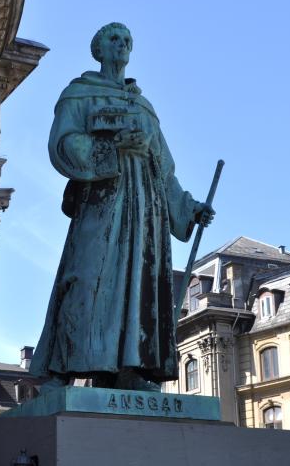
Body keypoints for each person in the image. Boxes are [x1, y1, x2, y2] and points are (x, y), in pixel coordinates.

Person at [29, 22, 215, 391]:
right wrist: (112, 150)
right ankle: (62, 368)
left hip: (146, 208)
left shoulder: (144, 106)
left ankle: (130, 368)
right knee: (86, 279)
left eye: (127, 40)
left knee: (139, 287)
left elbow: (165, 167)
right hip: (101, 201)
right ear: (98, 49)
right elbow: (63, 144)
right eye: (114, 39)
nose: (122, 45)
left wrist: (188, 207)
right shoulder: (79, 94)